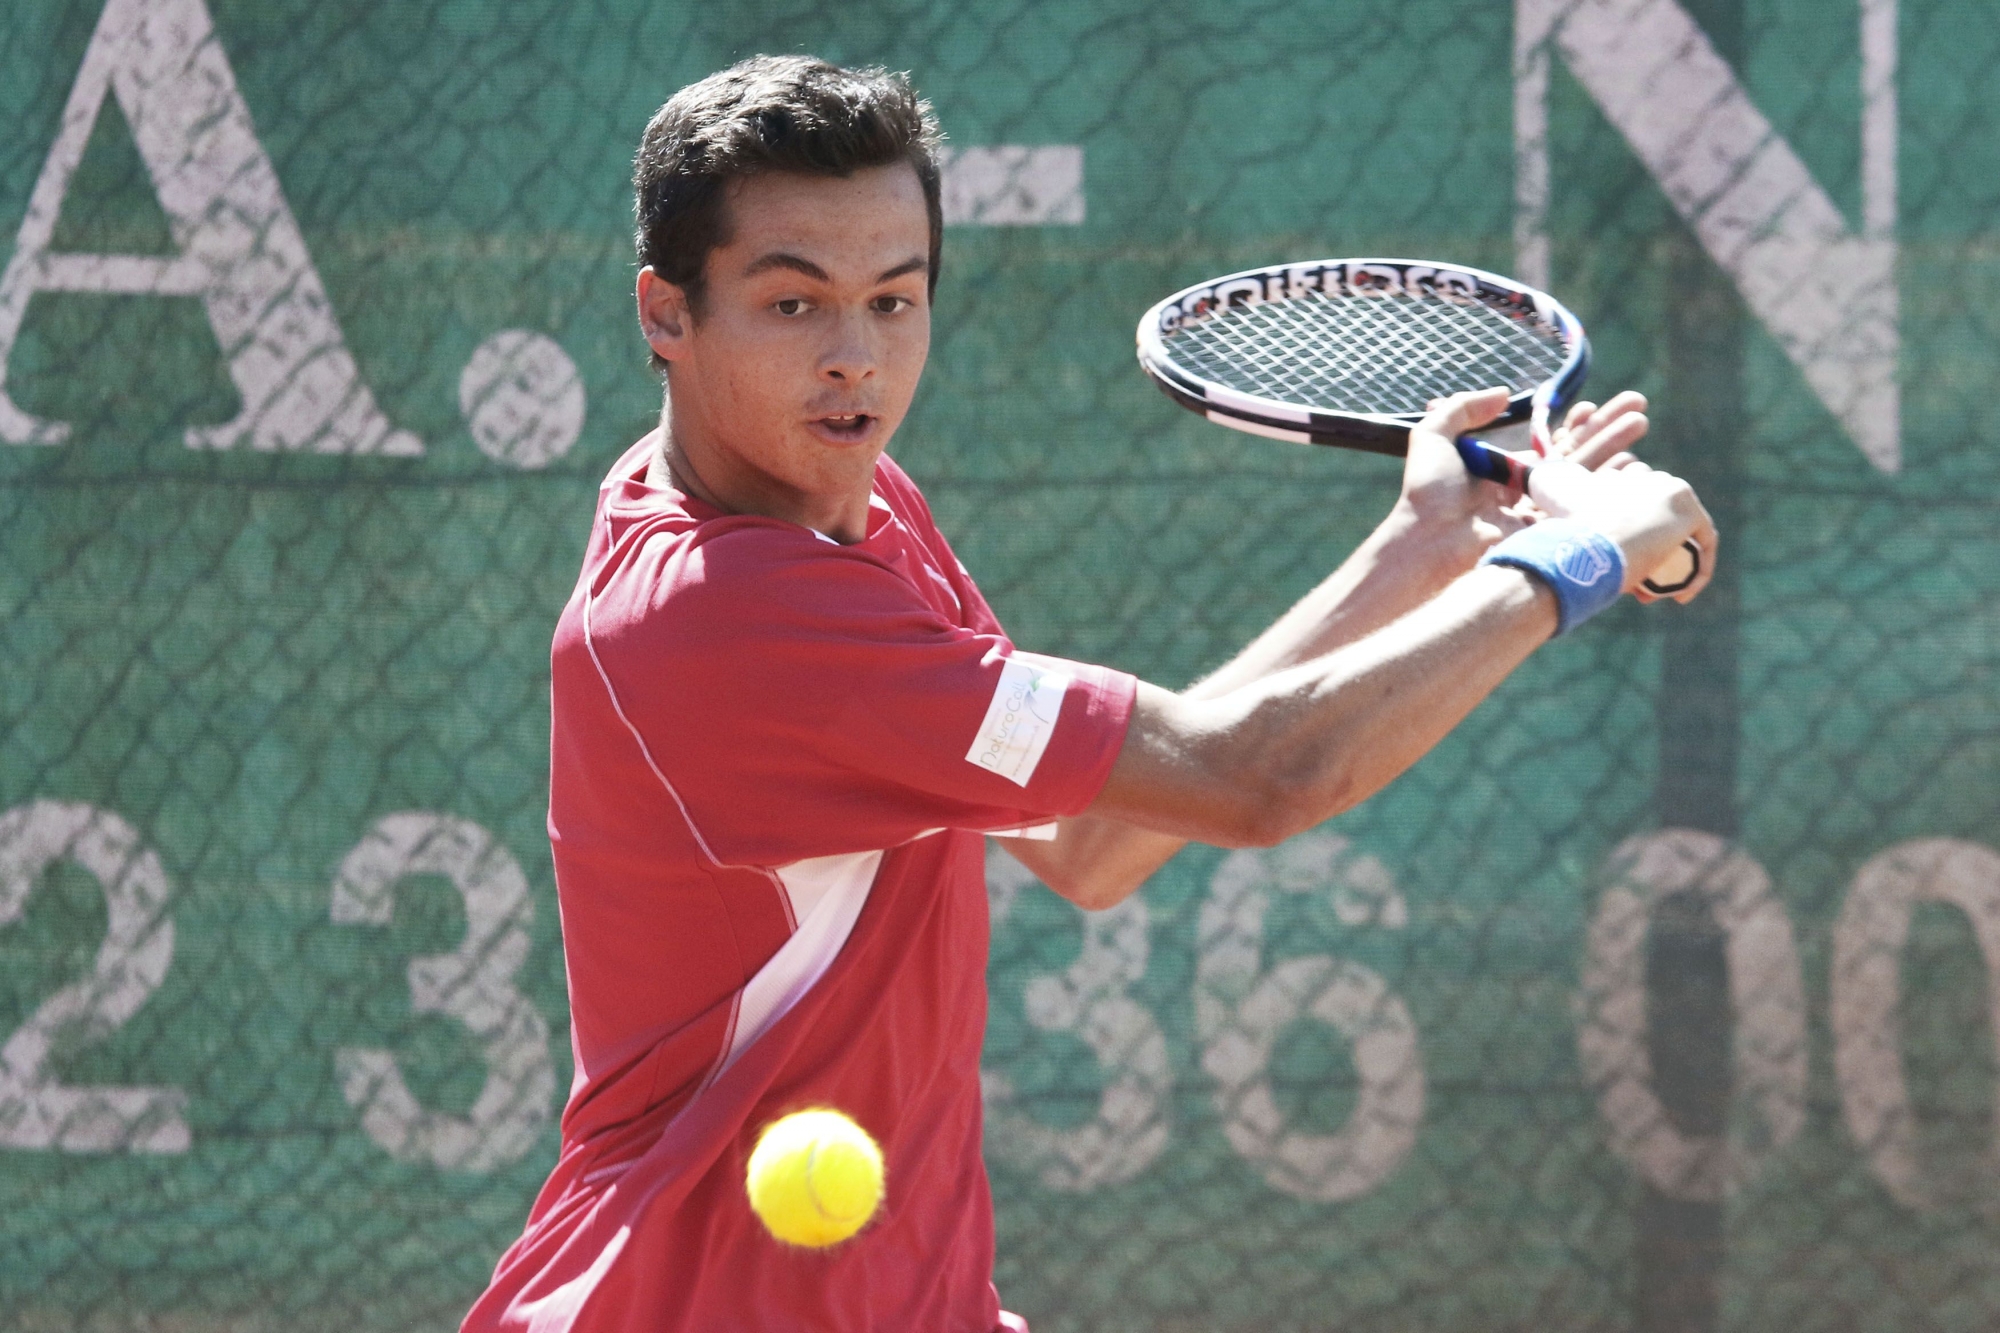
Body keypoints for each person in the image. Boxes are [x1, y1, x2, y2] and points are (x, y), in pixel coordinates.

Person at [460, 53, 1715, 1333]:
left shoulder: (857, 508)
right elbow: (1256, 777)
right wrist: (1577, 554)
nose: (855, 358)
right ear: (663, 313)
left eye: (894, 301)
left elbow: (1087, 842)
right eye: (793, 307)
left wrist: (1422, 549)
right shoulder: (725, 612)